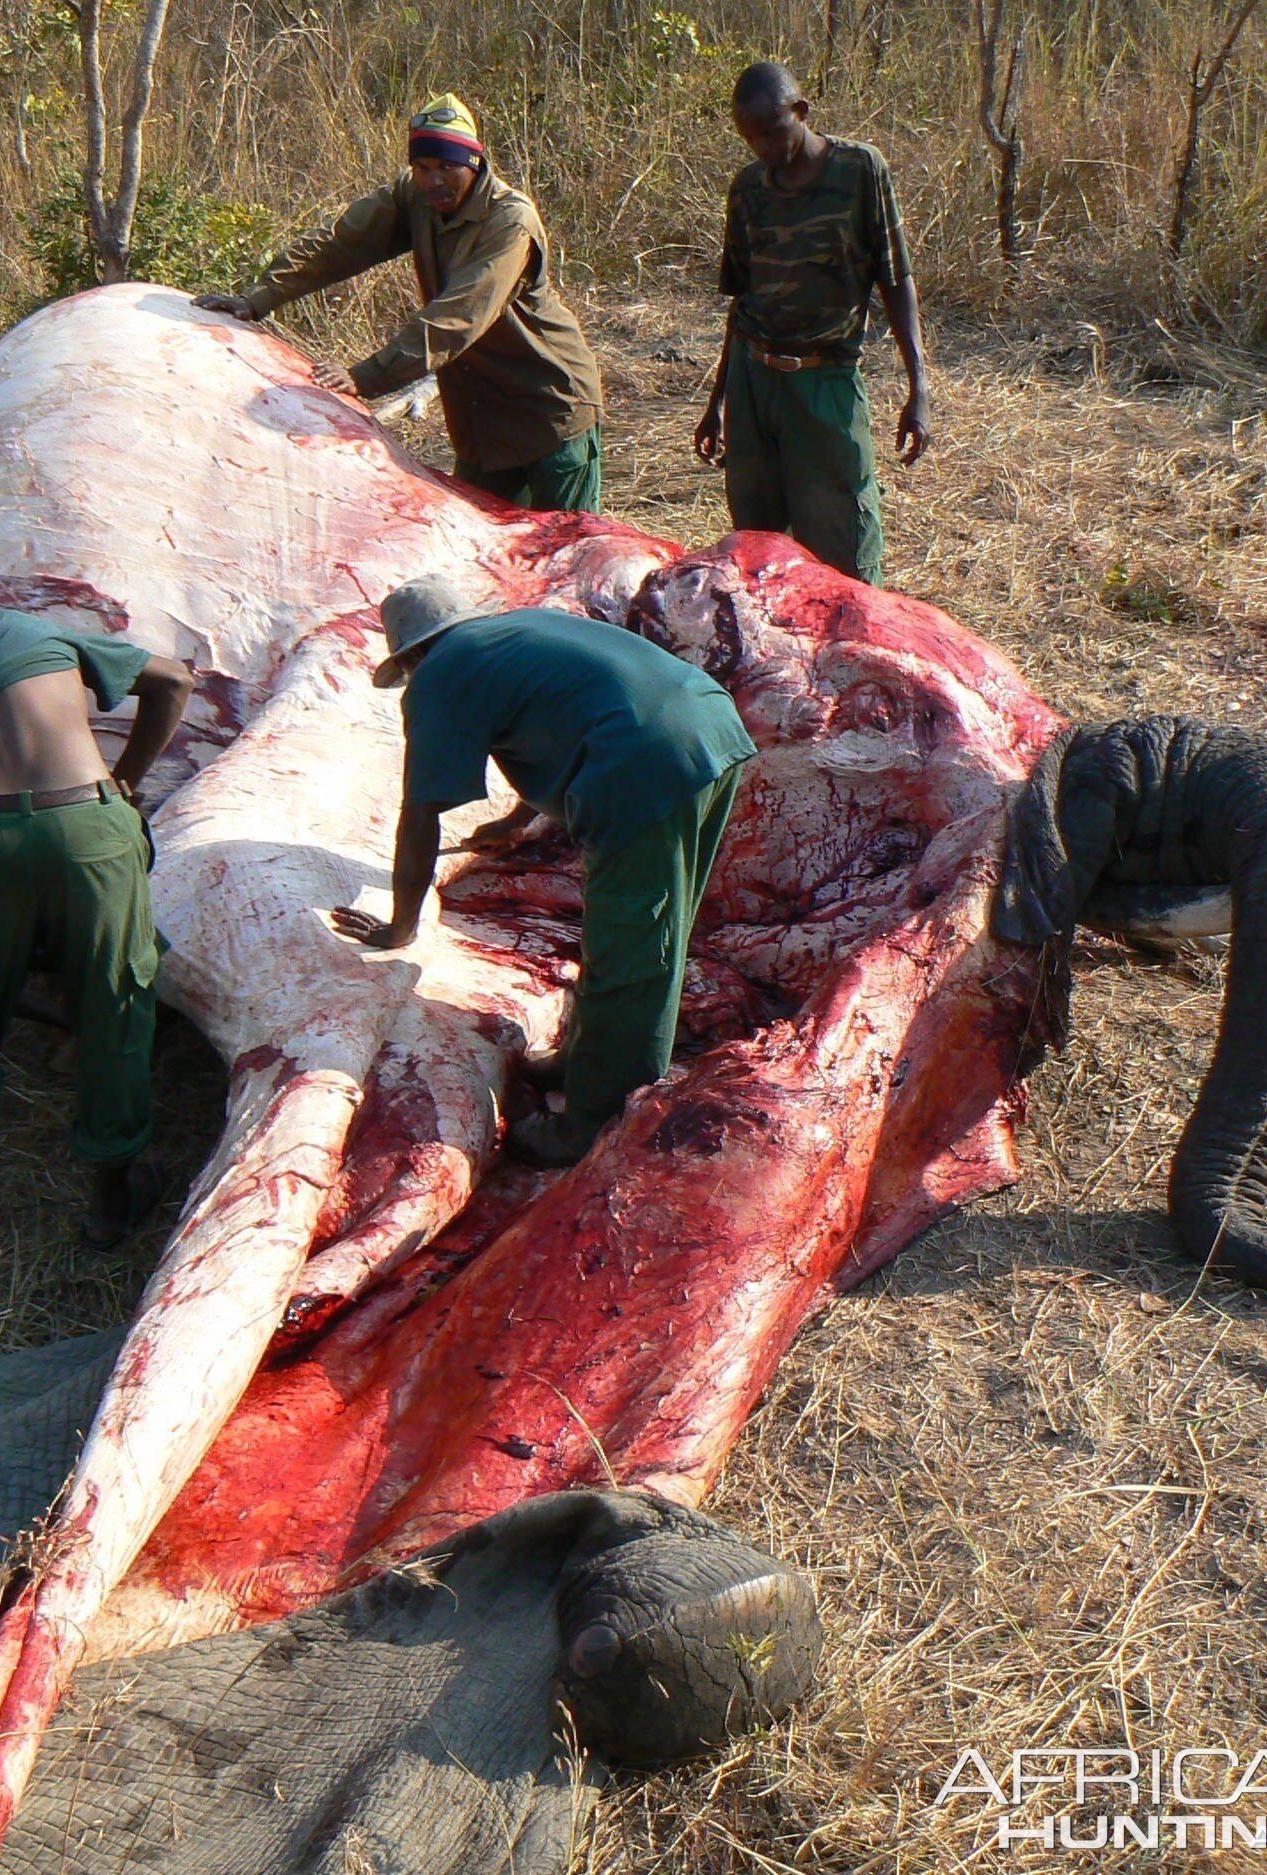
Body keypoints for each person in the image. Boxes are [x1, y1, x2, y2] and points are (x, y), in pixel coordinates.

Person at [331, 574, 757, 1167]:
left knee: (631, 945)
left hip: (643, 761)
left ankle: (594, 1120)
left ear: (414, 654)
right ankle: (586, 1056)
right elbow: (565, 711)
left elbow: (420, 815)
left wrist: (401, 925)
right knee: (645, 927)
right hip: (708, 725)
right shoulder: (518, 633)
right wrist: (515, 821)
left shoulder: (441, 673)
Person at [0, 607, 193, 1249]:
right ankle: (111, 1206)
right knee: (115, 1003)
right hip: (89, 821)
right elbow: (174, 682)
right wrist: (126, 776)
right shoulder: (40, 635)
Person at [194, 95, 609, 514]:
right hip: (483, 420)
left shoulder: (510, 221)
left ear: (474, 163)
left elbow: (459, 316)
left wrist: (366, 377)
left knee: (572, 554)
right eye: (423, 168)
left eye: (448, 167)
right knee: (477, 555)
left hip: (550, 411)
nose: (434, 182)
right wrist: (258, 298)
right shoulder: (413, 197)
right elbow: (340, 242)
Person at [693, 61, 930, 587]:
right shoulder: (748, 189)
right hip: (754, 386)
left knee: (844, 556)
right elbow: (742, 303)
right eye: (749, 138)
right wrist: (718, 403)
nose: (762, 149)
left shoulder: (860, 171)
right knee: (756, 555)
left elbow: (896, 279)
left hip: (824, 385)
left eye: (772, 133)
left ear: (800, 113)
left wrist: (919, 388)